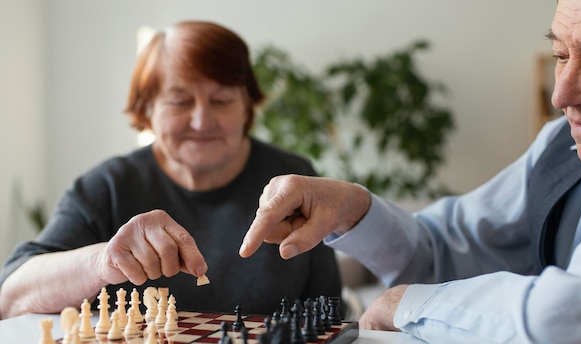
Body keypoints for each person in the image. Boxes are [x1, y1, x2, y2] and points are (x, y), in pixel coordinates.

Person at [239, 0, 581, 344]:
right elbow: (445, 250)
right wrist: (353, 209)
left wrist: (405, 304)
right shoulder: (560, 145)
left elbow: (567, 338)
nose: (561, 95)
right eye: (560, 55)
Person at [0, 21, 341, 319]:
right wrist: (104, 260)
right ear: (147, 110)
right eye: (179, 102)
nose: (202, 121)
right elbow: (10, 297)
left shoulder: (295, 179)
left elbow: (330, 311)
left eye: (221, 100)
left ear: (247, 106)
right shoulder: (107, 186)